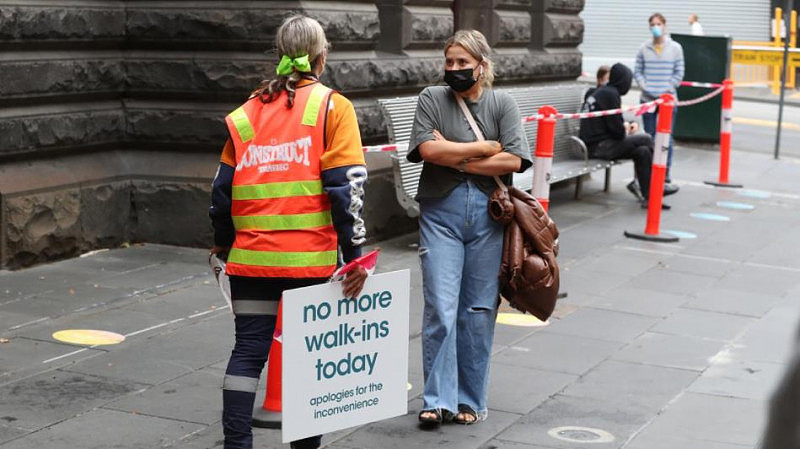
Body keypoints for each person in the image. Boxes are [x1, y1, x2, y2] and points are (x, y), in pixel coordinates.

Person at [208, 15, 369, 449]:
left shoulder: (247, 112)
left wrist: (223, 244)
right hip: (310, 264)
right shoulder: (333, 107)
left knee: (247, 354)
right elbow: (346, 188)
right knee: (306, 362)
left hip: (252, 260)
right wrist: (355, 255)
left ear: (279, 54)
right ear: (322, 55)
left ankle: (236, 445)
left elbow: (221, 190)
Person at [407, 29, 532, 426]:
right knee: (441, 309)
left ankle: (469, 400)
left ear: (482, 65)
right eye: (450, 62)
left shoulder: (502, 103)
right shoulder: (432, 98)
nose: (456, 69)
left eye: (463, 63)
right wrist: (483, 148)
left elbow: (513, 160)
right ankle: (436, 399)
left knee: (477, 310)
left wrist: (456, 157)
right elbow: (428, 150)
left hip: (489, 217)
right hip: (440, 213)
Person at [580, 63, 668, 209]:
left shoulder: (605, 91)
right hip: (598, 147)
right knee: (646, 138)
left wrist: (624, 127)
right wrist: (626, 128)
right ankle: (659, 185)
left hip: (599, 144)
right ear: (623, 81)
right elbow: (618, 132)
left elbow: (612, 126)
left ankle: (649, 197)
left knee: (643, 152)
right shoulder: (611, 94)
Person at [635, 12, 684, 196]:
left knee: (666, 139)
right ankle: (648, 174)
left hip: (667, 100)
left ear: (665, 26)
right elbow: (637, 71)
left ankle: (665, 174)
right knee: (648, 138)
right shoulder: (643, 48)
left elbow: (679, 73)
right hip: (648, 100)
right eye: (652, 24)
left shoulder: (675, 48)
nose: (656, 27)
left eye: (658, 23)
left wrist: (666, 90)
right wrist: (646, 87)